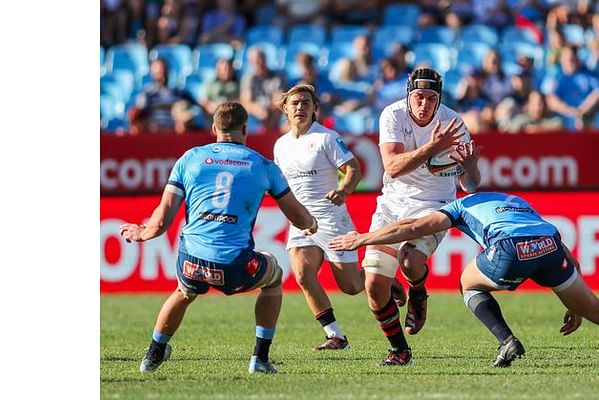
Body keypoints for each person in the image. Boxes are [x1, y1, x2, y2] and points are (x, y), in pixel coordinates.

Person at [330, 191, 599, 368]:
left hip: (511, 248)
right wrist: (571, 299)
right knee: (595, 308)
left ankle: (507, 341)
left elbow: (411, 227)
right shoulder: (515, 200)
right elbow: (556, 239)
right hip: (550, 245)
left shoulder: (458, 205)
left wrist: (363, 238)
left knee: (467, 283)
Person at [119, 101, 318, 374]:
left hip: (193, 260)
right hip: (236, 264)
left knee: (184, 291)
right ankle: (259, 359)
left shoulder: (190, 158)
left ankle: (152, 355)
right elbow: (298, 217)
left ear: (214, 128)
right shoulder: (262, 165)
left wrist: (143, 233)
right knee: (273, 276)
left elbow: (163, 218)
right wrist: (312, 223)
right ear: (245, 129)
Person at [363, 67, 482, 366]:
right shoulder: (392, 115)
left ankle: (417, 290)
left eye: (431, 98)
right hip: (392, 203)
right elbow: (391, 167)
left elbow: (469, 186)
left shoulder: (453, 122)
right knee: (374, 285)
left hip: (434, 203)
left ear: (439, 98)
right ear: (408, 95)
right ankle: (400, 350)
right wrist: (432, 147)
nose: (424, 104)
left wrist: (471, 167)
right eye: (418, 96)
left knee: (410, 261)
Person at [272, 84, 405, 350]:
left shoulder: (327, 138)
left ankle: (389, 284)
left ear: (315, 109)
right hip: (301, 221)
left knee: (352, 287)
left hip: (331, 219)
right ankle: (335, 335)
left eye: (306, 103)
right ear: (285, 109)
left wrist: (343, 190)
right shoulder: (281, 145)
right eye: (295, 103)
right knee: (302, 275)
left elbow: (353, 168)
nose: (300, 107)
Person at [541, 46, 599, 131]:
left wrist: (582, 112)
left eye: (572, 59)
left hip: (587, 115)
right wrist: (572, 112)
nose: (569, 63)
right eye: (565, 60)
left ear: (577, 59)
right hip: (562, 117)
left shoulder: (588, 74)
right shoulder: (556, 76)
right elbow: (550, 100)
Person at [128, 58, 196, 135]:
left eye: (162, 68)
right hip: (154, 128)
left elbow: (194, 108)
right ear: (152, 72)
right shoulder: (147, 93)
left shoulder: (179, 92)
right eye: (157, 69)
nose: (161, 72)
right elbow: (137, 112)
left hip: (175, 129)